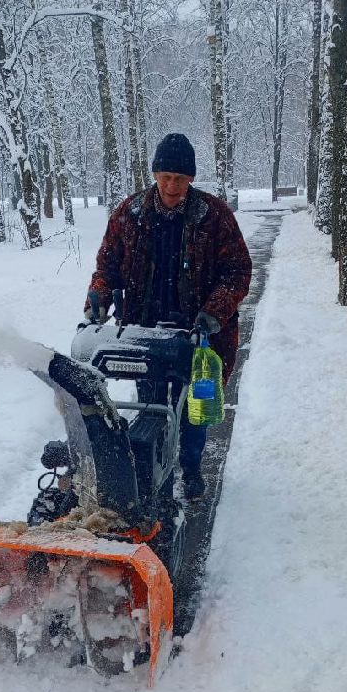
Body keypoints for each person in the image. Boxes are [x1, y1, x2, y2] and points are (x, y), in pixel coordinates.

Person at [85, 133, 252, 499]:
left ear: (191, 178)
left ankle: (190, 469)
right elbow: (107, 266)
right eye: (165, 177)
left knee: (195, 408)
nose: (171, 186)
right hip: (146, 334)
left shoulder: (214, 217)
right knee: (152, 403)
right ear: (155, 174)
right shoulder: (129, 215)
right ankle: (153, 469)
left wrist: (214, 312)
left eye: (179, 178)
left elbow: (238, 271)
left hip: (201, 336)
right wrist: (97, 299)